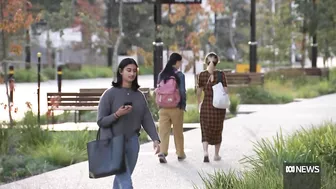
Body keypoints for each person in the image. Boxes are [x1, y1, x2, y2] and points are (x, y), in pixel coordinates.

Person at [97, 58, 161, 189]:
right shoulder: (109, 94)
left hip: (132, 142)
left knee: (123, 177)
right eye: (128, 70)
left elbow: (146, 118)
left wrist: (155, 138)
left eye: (134, 71)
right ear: (121, 71)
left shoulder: (139, 95)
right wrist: (117, 114)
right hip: (113, 141)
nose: (132, 74)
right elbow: (101, 121)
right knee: (126, 182)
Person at [196, 52, 228, 163]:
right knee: (218, 129)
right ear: (217, 62)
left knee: (205, 129)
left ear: (206, 62)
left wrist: (198, 102)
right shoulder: (221, 74)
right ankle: (216, 154)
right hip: (218, 107)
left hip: (206, 105)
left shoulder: (202, 75)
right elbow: (225, 91)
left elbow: (199, 92)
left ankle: (205, 152)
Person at [156, 52, 187, 163]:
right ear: (177, 62)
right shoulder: (179, 75)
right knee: (178, 131)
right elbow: (182, 92)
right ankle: (180, 153)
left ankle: (163, 152)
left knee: (163, 132)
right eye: (180, 62)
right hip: (176, 107)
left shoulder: (162, 74)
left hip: (163, 107)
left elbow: (158, 90)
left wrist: (159, 105)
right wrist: (183, 105)